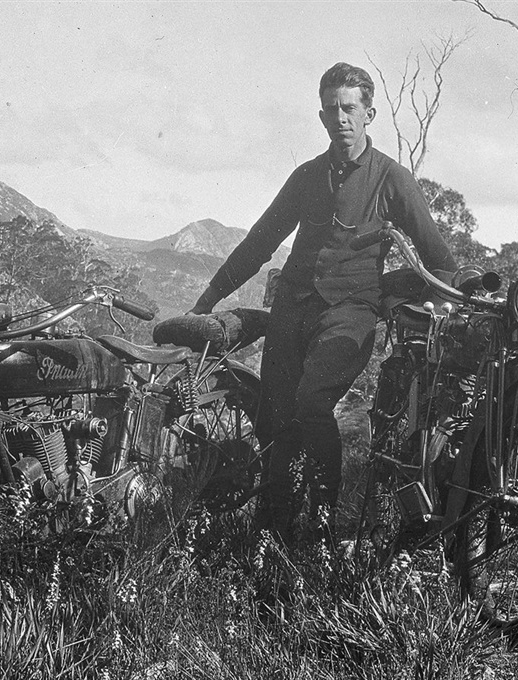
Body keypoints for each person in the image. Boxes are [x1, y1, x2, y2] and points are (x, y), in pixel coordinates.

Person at [187, 62, 456, 540]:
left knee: (312, 401)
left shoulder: (392, 179)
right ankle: (274, 538)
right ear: (321, 116)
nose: (341, 118)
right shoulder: (306, 176)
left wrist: (411, 297)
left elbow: (440, 261)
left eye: (349, 108)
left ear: (369, 113)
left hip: (351, 313)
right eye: (331, 109)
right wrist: (208, 298)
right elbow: (260, 241)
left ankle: (325, 525)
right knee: (274, 419)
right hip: (292, 308)